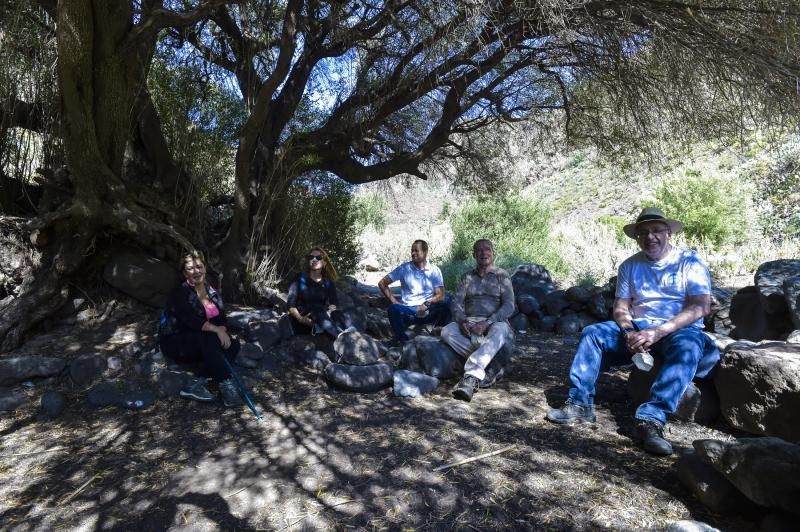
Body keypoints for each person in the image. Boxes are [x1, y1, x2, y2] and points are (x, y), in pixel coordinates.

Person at [546, 207, 720, 456]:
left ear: (668, 232)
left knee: (689, 346)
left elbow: (700, 306)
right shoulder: (629, 266)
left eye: (657, 230)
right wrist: (628, 331)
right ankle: (580, 403)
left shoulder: (689, 262)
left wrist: (658, 332)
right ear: (637, 237)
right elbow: (620, 307)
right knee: (593, 333)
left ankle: (651, 420)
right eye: (644, 233)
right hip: (638, 327)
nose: (651, 237)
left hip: (678, 329)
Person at [159, 250, 243, 407]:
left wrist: (222, 330)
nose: (196, 271)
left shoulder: (212, 292)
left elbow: (223, 319)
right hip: (176, 341)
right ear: (185, 273)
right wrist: (217, 330)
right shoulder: (180, 292)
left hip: (201, 340)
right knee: (210, 337)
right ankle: (225, 383)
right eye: (190, 268)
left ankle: (196, 382)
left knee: (233, 345)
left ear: (205, 267)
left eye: (199, 266)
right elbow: (190, 321)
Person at [441, 239, 515, 402]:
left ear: (493, 253)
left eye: (487, 249)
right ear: (474, 255)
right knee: (446, 331)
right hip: (470, 322)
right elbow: (457, 303)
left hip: (494, 322)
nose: (483, 253)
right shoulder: (466, 277)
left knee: (501, 330)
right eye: (479, 250)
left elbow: (509, 306)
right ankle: (490, 359)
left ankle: (471, 377)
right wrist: (462, 321)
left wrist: (488, 322)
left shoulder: (502, 276)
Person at [378, 240, 451, 342]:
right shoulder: (404, 269)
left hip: (428, 311)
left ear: (425, 252)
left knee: (448, 300)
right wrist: (395, 302)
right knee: (393, 309)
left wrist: (427, 303)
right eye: (412, 250)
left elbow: (440, 295)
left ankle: (439, 332)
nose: (413, 253)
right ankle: (404, 341)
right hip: (409, 312)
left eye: (416, 251)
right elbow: (382, 283)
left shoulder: (434, 270)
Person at [287, 247, 354, 339]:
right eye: (311, 257)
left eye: (318, 258)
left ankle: (348, 335)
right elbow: (290, 305)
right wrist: (301, 319)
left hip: (322, 320)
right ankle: (341, 337)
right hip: (303, 321)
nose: (314, 259)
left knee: (337, 313)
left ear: (324, 263)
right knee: (318, 310)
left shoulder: (328, 283)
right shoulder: (299, 278)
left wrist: (331, 311)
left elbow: (334, 303)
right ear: (308, 260)